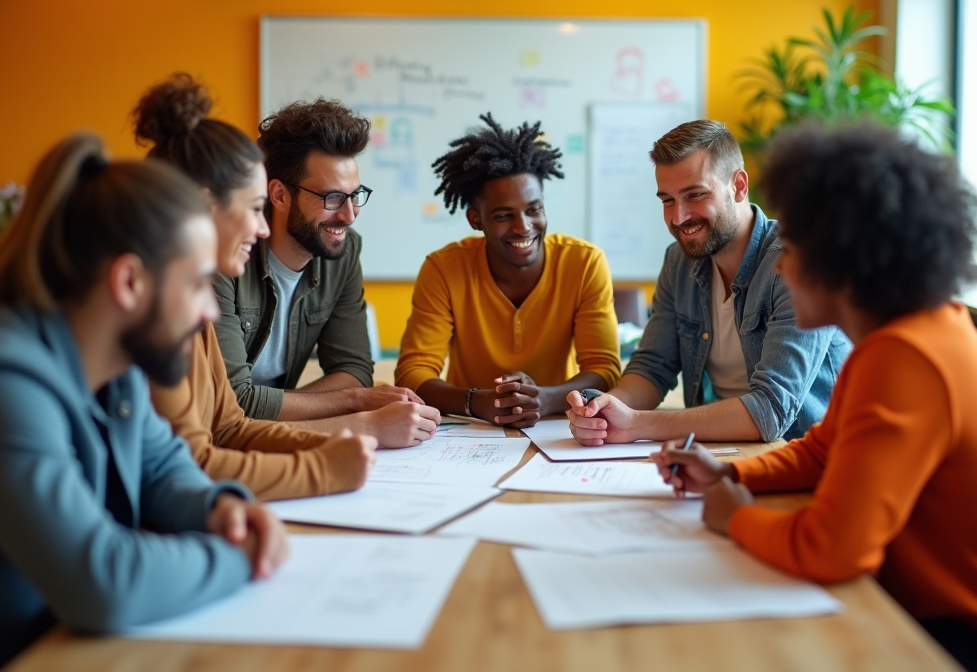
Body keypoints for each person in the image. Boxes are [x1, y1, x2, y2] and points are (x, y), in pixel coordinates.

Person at [653, 124, 977, 672]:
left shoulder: (908, 358)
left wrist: (735, 518)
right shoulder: (898, 339)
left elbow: (834, 548)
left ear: (845, 262)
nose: (780, 266)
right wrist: (729, 477)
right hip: (933, 610)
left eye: (794, 251)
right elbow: (820, 451)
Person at [0, 134, 289, 665]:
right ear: (130, 282)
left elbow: (163, 473)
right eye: (198, 285)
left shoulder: (120, 366)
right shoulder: (11, 384)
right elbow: (102, 582)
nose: (210, 312)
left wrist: (222, 508)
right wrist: (239, 554)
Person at [133, 74, 381, 500]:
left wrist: (336, 444)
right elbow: (194, 462)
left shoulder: (192, 308)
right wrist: (327, 462)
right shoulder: (165, 313)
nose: (263, 226)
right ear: (205, 210)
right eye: (254, 208)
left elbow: (230, 427)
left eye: (354, 196)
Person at [566, 119, 850, 444]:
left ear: (739, 186)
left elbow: (771, 411)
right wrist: (606, 411)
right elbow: (652, 366)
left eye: (695, 195)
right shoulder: (678, 261)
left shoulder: (797, 264)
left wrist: (636, 424)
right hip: (716, 450)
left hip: (804, 457)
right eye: (667, 200)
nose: (678, 217)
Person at [213, 97, 440, 447]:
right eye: (333, 198)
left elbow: (353, 370)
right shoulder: (224, 257)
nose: (349, 216)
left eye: (355, 195)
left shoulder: (345, 252)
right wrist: (357, 405)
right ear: (279, 195)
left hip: (260, 442)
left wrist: (339, 400)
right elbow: (232, 400)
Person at [395, 114, 620, 428]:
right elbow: (412, 373)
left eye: (534, 209)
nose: (524, 227)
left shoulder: (583, 263)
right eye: (504, 215)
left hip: (560, 426)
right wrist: (478, 402)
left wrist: (547, 399)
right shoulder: (444, 268)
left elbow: (605, 370)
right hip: (471, 428)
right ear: (476, 220)